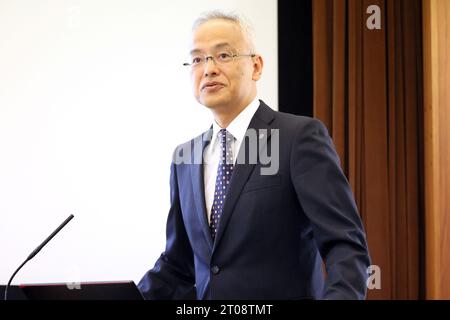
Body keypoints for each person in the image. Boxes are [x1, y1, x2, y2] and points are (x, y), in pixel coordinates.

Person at [138, 11, 371, 300]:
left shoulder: (298, 138)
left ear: (256, 66)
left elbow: (345, 247)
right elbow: (178, 266)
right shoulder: (184, 158)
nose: (208, 69)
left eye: (223, 55)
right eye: (197, 59)